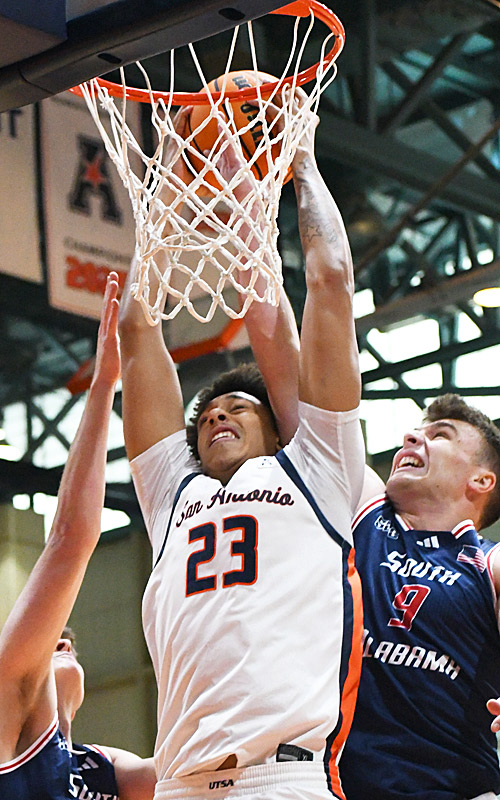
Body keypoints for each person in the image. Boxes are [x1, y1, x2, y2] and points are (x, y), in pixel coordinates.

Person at [241, 113, 500, 800]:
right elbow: (276, 345)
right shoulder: (355, 504)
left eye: (440, 433)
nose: (415, 436)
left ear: (483, 481)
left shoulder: (487, 568)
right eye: (416, 427)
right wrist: (254, 196)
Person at [118, 98, 365, 800]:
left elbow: (331, 282)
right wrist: (166, 182)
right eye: (207, 415)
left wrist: (304, 163)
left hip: (282, 779)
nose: (218, 412)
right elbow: (140, 329)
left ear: (278, 427)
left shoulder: (318, 467)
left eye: (240, 407)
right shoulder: (174, 495)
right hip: (180, 785)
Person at [0, 273, 156, 800]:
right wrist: (103, 384)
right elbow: (68, 538)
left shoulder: (103, 769)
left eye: (67, 640)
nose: (62, 641)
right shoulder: (9, 697)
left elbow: (197, 771)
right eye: (52, 640)